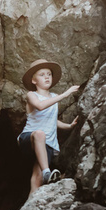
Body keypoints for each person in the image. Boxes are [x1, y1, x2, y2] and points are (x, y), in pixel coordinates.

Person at [17, 58, 79, 196]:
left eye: (49, 74)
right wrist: (65, 94)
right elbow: (40, 106)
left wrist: (69, 126)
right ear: (34, 81)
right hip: (30, 138)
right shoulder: (31, 95)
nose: (47, 77)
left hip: (47, 143)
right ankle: (47, 172)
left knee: (36, 179)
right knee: (40, 134)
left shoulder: (53, 97)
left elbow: (52, 120)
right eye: (42, 74)